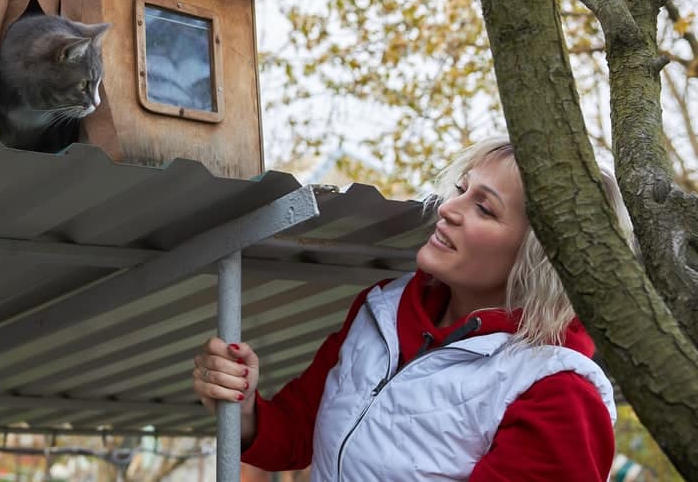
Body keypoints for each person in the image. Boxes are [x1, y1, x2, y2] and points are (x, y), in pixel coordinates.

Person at [193, 137, 633, 481]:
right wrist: (245, 408)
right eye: (460, 190)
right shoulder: (380, 309)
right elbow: (297, 435)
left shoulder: (557, 392)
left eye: (483, 207)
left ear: (539, 254)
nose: (447, 209)